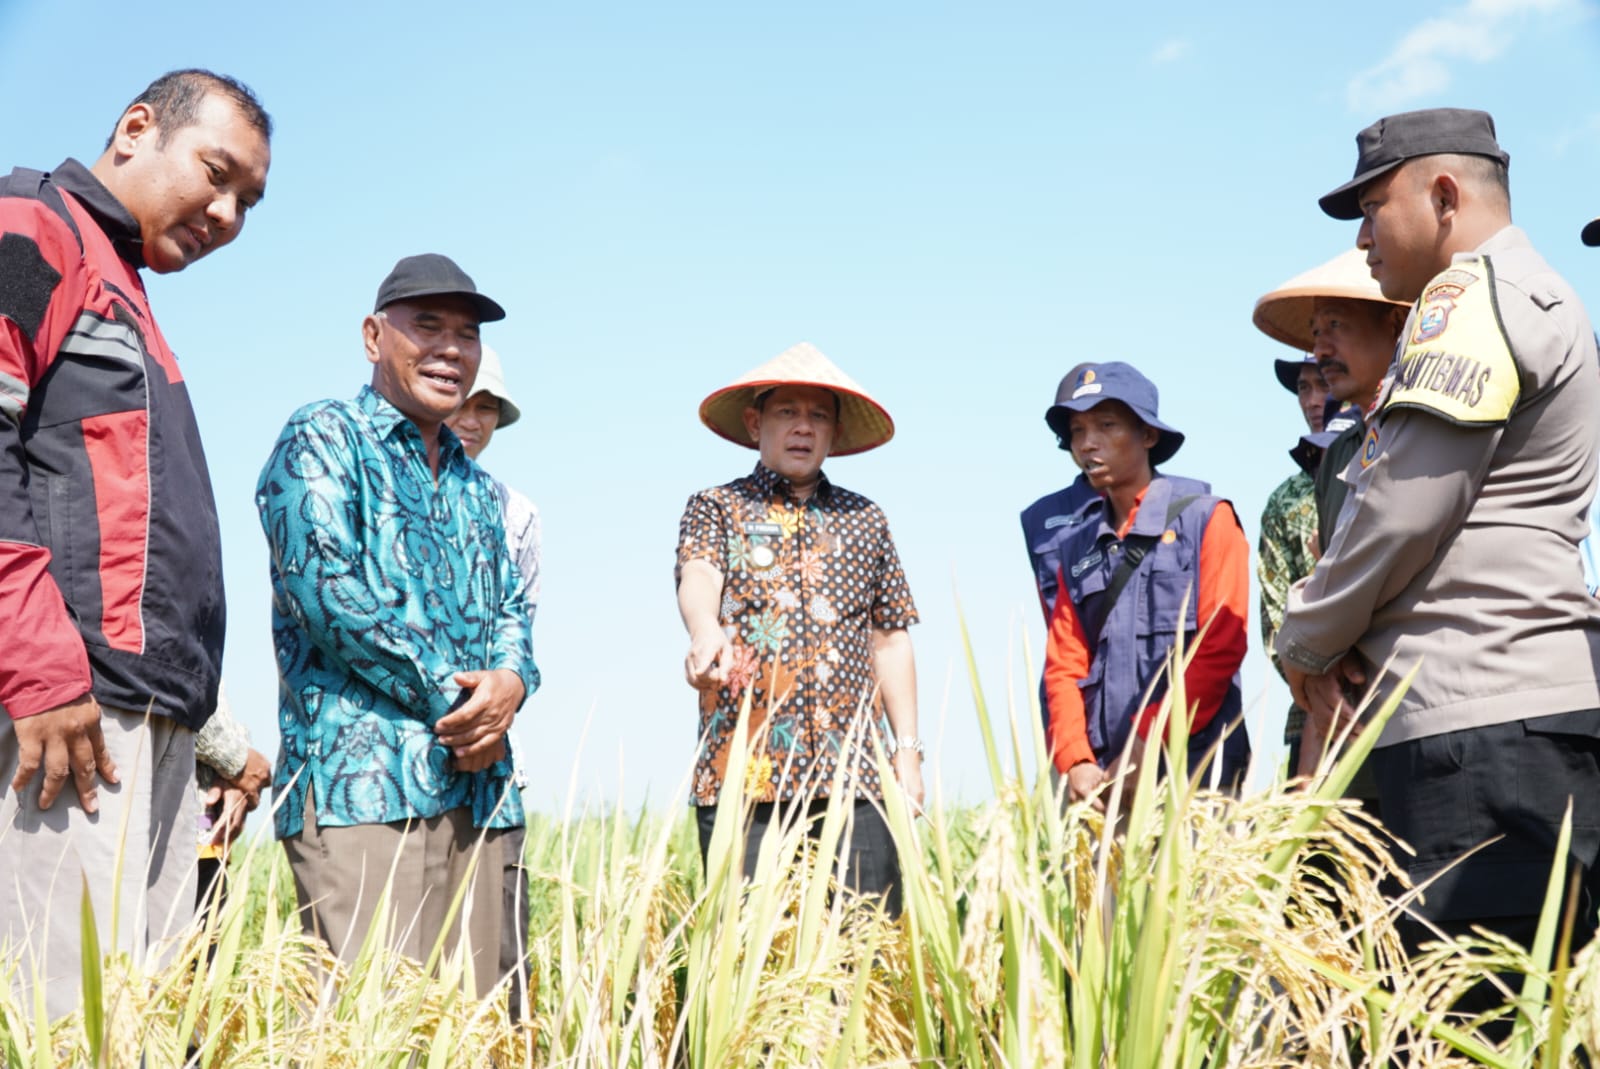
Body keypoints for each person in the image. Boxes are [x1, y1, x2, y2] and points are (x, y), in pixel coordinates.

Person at [1277, 108, 1600, 959]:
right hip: (1513, 722)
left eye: (1372, 208)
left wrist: (1304, 638)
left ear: (1444, 194)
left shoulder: (1470, 299)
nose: (1364, 238)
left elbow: (1400, 507)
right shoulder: (1536, 296)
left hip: (1475, 731)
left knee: (1468, 1015)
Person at [0, 69, 272, 1018]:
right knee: (64, 1021)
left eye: (250, 200)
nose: (229, 213)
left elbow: (143, 554)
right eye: (216, 172)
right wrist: (38, 672)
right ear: (135, 127)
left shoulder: (132, 299)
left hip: (147, 730)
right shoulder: (33, 225)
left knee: (138, 1023)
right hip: (71, 721)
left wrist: (218, 736)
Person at [256, 254, 537, 998]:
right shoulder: (322, 436)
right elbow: (326, 593)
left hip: (483, 792)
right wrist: (460, 701)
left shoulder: (480, 490)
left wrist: (509, 682)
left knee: (488, 1031)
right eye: (429, 326)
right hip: (365, 789)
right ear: (374, 336)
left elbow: (513, 607)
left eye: (468, 333)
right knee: (378, 1028)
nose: (452, 348)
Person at [675, 342, 921, 916]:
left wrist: (907, 755)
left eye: (818, 416)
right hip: (744, 771)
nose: (803, 428)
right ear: (757, 422)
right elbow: (700, 572)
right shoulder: (717, 508)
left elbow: (891, 637)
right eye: (788, 413)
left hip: (857, 774)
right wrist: (704, 629)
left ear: (835, 433)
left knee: (866, 952)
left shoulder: (866, 520)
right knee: (751, 959)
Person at [1041, 362, 1250, 807]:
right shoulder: (1075, 549)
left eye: (1107, 425)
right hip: (1105, 782)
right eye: (1076, 431)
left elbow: (1222, 642)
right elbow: (1064, 664)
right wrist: (1075, 758)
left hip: (1197, 772)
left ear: (1148, 436)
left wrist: (1150, 739)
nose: (1087, 443)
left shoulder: (1207, 519)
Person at [1254, 251, 1407, 779]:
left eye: (1336, 327)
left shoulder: (1433, 430)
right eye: (1315, 332)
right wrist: (1314, 665)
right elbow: (1296, 602)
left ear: (1396, 325)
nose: (1320, 353)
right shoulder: (1333, 463)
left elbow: (1390, 553)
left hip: (1424, 702)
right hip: (1335, 712)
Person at [443, 343, 539, 1016]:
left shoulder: (516, 515)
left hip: (492, 765)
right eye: (462, 403)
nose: (472, 421)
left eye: (486, 408)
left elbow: (520, 634)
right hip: (400, 759)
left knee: (498, 975)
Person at [1251, 353, 1324, 779]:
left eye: (1324, 385)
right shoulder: (1286, 501)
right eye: (1303, 388)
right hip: (1311, 714)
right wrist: (1313, 685)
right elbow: (1275, 616)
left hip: (1405, 706)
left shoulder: (1394, 468)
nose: (1313, 400)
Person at [194, 683, 272, 914]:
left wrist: (232, 775)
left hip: (206, 833)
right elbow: (175, 686)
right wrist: (237, 762)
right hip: (173, 839)